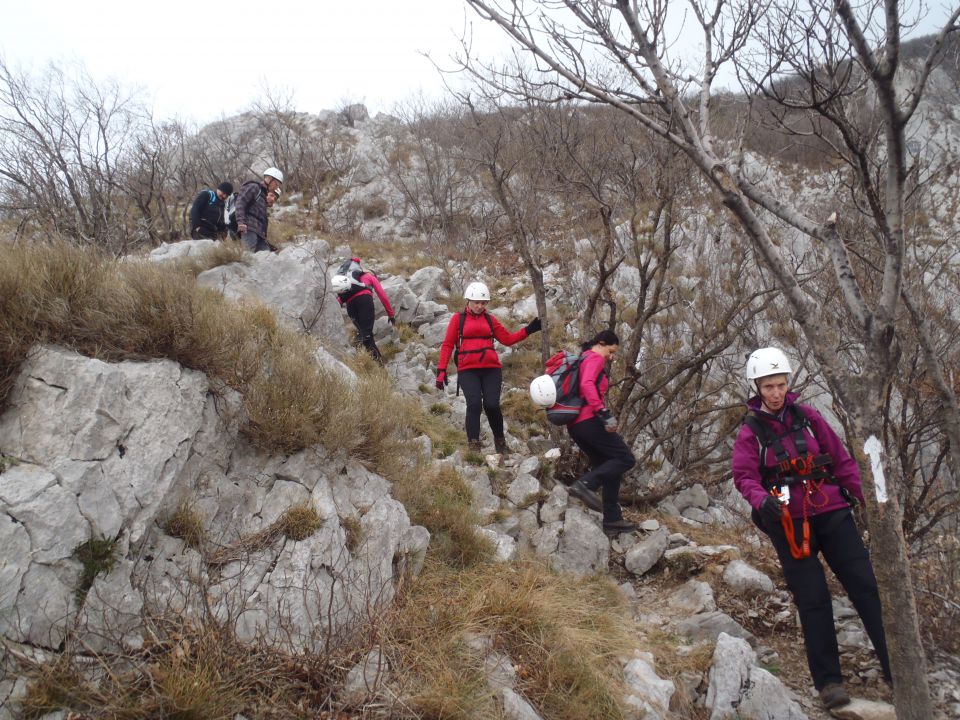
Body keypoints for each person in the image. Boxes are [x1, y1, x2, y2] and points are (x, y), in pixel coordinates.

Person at [731, 347, 891, 710]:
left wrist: (869, 502)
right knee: (813, 599)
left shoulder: (809, 417)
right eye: (768, 386)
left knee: (866, 587)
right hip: (788, 523)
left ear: (788, 383)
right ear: (756, 387)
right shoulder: (751, 431)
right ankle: (829, 683)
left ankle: (897, 668)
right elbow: (744, 476)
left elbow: (842, 460)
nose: (776, 392)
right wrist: (760, 500)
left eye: (781, 384)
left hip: (832, 511)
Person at [435, 281, 541, 455]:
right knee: (474, 404)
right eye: (476, 302)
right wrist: (441, 371)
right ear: (468, 300)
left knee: (492, 405)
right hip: (467, 370)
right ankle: (474, 448)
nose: (479, 306)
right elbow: (447, 345)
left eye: (483, 303)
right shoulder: (457, 319)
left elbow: (507, 339)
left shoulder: (490, 319)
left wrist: (529, 330)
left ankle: (500, 443)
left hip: (491, 369)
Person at [563, 329, 637, 535]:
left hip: (577, 426)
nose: (611, 357)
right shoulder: (595, 358)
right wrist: (603, 413)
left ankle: (612, 520)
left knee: (609, 466)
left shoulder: (584, 357)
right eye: (611, 351)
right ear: (602, 343)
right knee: (625, 458)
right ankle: (586, 484)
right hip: (588, 420)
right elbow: (587, 385)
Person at [332, 257, 395, 363]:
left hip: (351, 306)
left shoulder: (350, 280)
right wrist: (391, 314)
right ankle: (374, 365)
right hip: (364, 301)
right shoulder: (370, 276)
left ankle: (374, 364)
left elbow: (339, 299)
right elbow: (382, 296)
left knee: (365, 335)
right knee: (366, 336)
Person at [235, 167, 283, 252]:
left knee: (266, 254)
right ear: (270, 179)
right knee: (248, 255)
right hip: (248, 228)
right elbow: (240, 203)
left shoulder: (263, 195)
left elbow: (262, 220)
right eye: (276, 184)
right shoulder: (254, 187)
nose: (276, 187)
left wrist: (267, 242)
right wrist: (241, 222)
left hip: (259, 233)